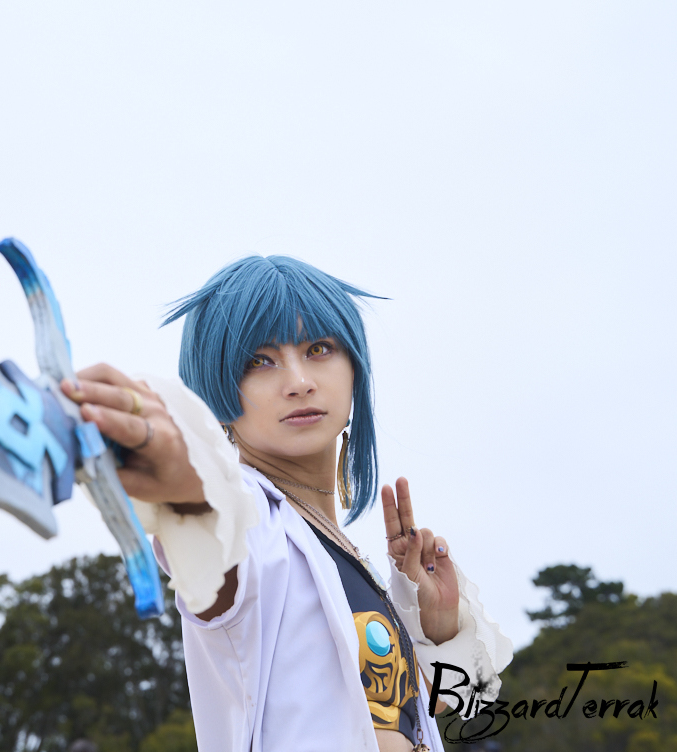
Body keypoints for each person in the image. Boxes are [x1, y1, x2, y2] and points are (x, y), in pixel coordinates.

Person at [60, 255, 511, 751]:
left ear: (354, 368)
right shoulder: (253, 520)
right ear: (216, 387)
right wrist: (181, 476)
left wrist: (437, 630)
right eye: (259, 360)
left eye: (319, 348)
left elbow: (424, 711)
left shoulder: (335, 550)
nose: (298, 381)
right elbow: (212, 533)